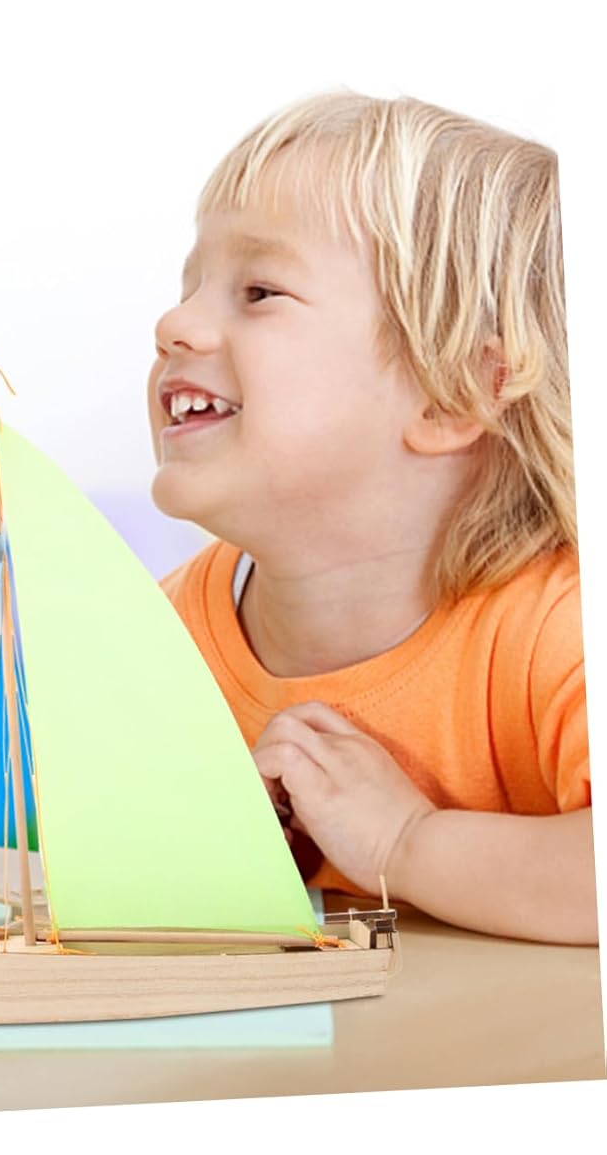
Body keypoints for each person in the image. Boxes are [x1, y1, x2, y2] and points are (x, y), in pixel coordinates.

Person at [149, 92, 593, 944]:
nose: (173, 323)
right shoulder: (156, 638)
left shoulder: (562, 632)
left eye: (259, 291)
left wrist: (405, 842)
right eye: (190, 286)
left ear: (452, 395)